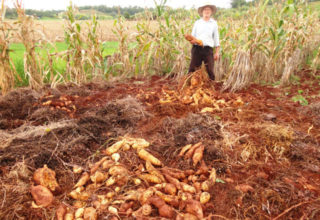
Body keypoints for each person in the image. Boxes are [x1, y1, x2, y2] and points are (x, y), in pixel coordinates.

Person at [188, 2, 220, 81]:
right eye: (205, 9)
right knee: (193, 68)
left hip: (208, 49)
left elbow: (216, 38)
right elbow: (192, 37)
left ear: (211, 12)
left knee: (210, 69)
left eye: (208, 9)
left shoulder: (214, 24)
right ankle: (188, 84)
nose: (207, 11)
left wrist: (217, 52)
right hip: (197, 48)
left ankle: (212, 86)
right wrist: (193, 41)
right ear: (202, 12)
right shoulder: (197, 23)